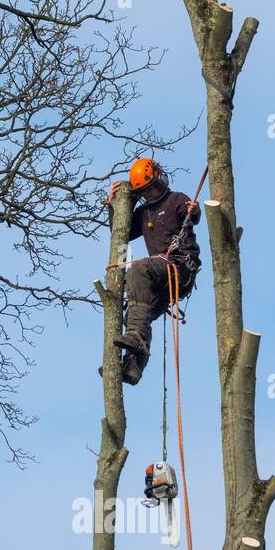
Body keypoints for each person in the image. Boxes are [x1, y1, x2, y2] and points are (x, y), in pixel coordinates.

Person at [106, 158, 201, 385]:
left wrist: (194, 211)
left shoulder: (176, 199)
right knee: (136, 313)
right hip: (161, 279)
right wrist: (113, 205)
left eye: (152, 187)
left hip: (179, 268)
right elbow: (121, 233)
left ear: (160, 179)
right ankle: (133, 366)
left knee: (138, 269)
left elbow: (191, 216)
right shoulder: (144, 212)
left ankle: (136, 337)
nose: (150, 193)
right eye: (145, 191)